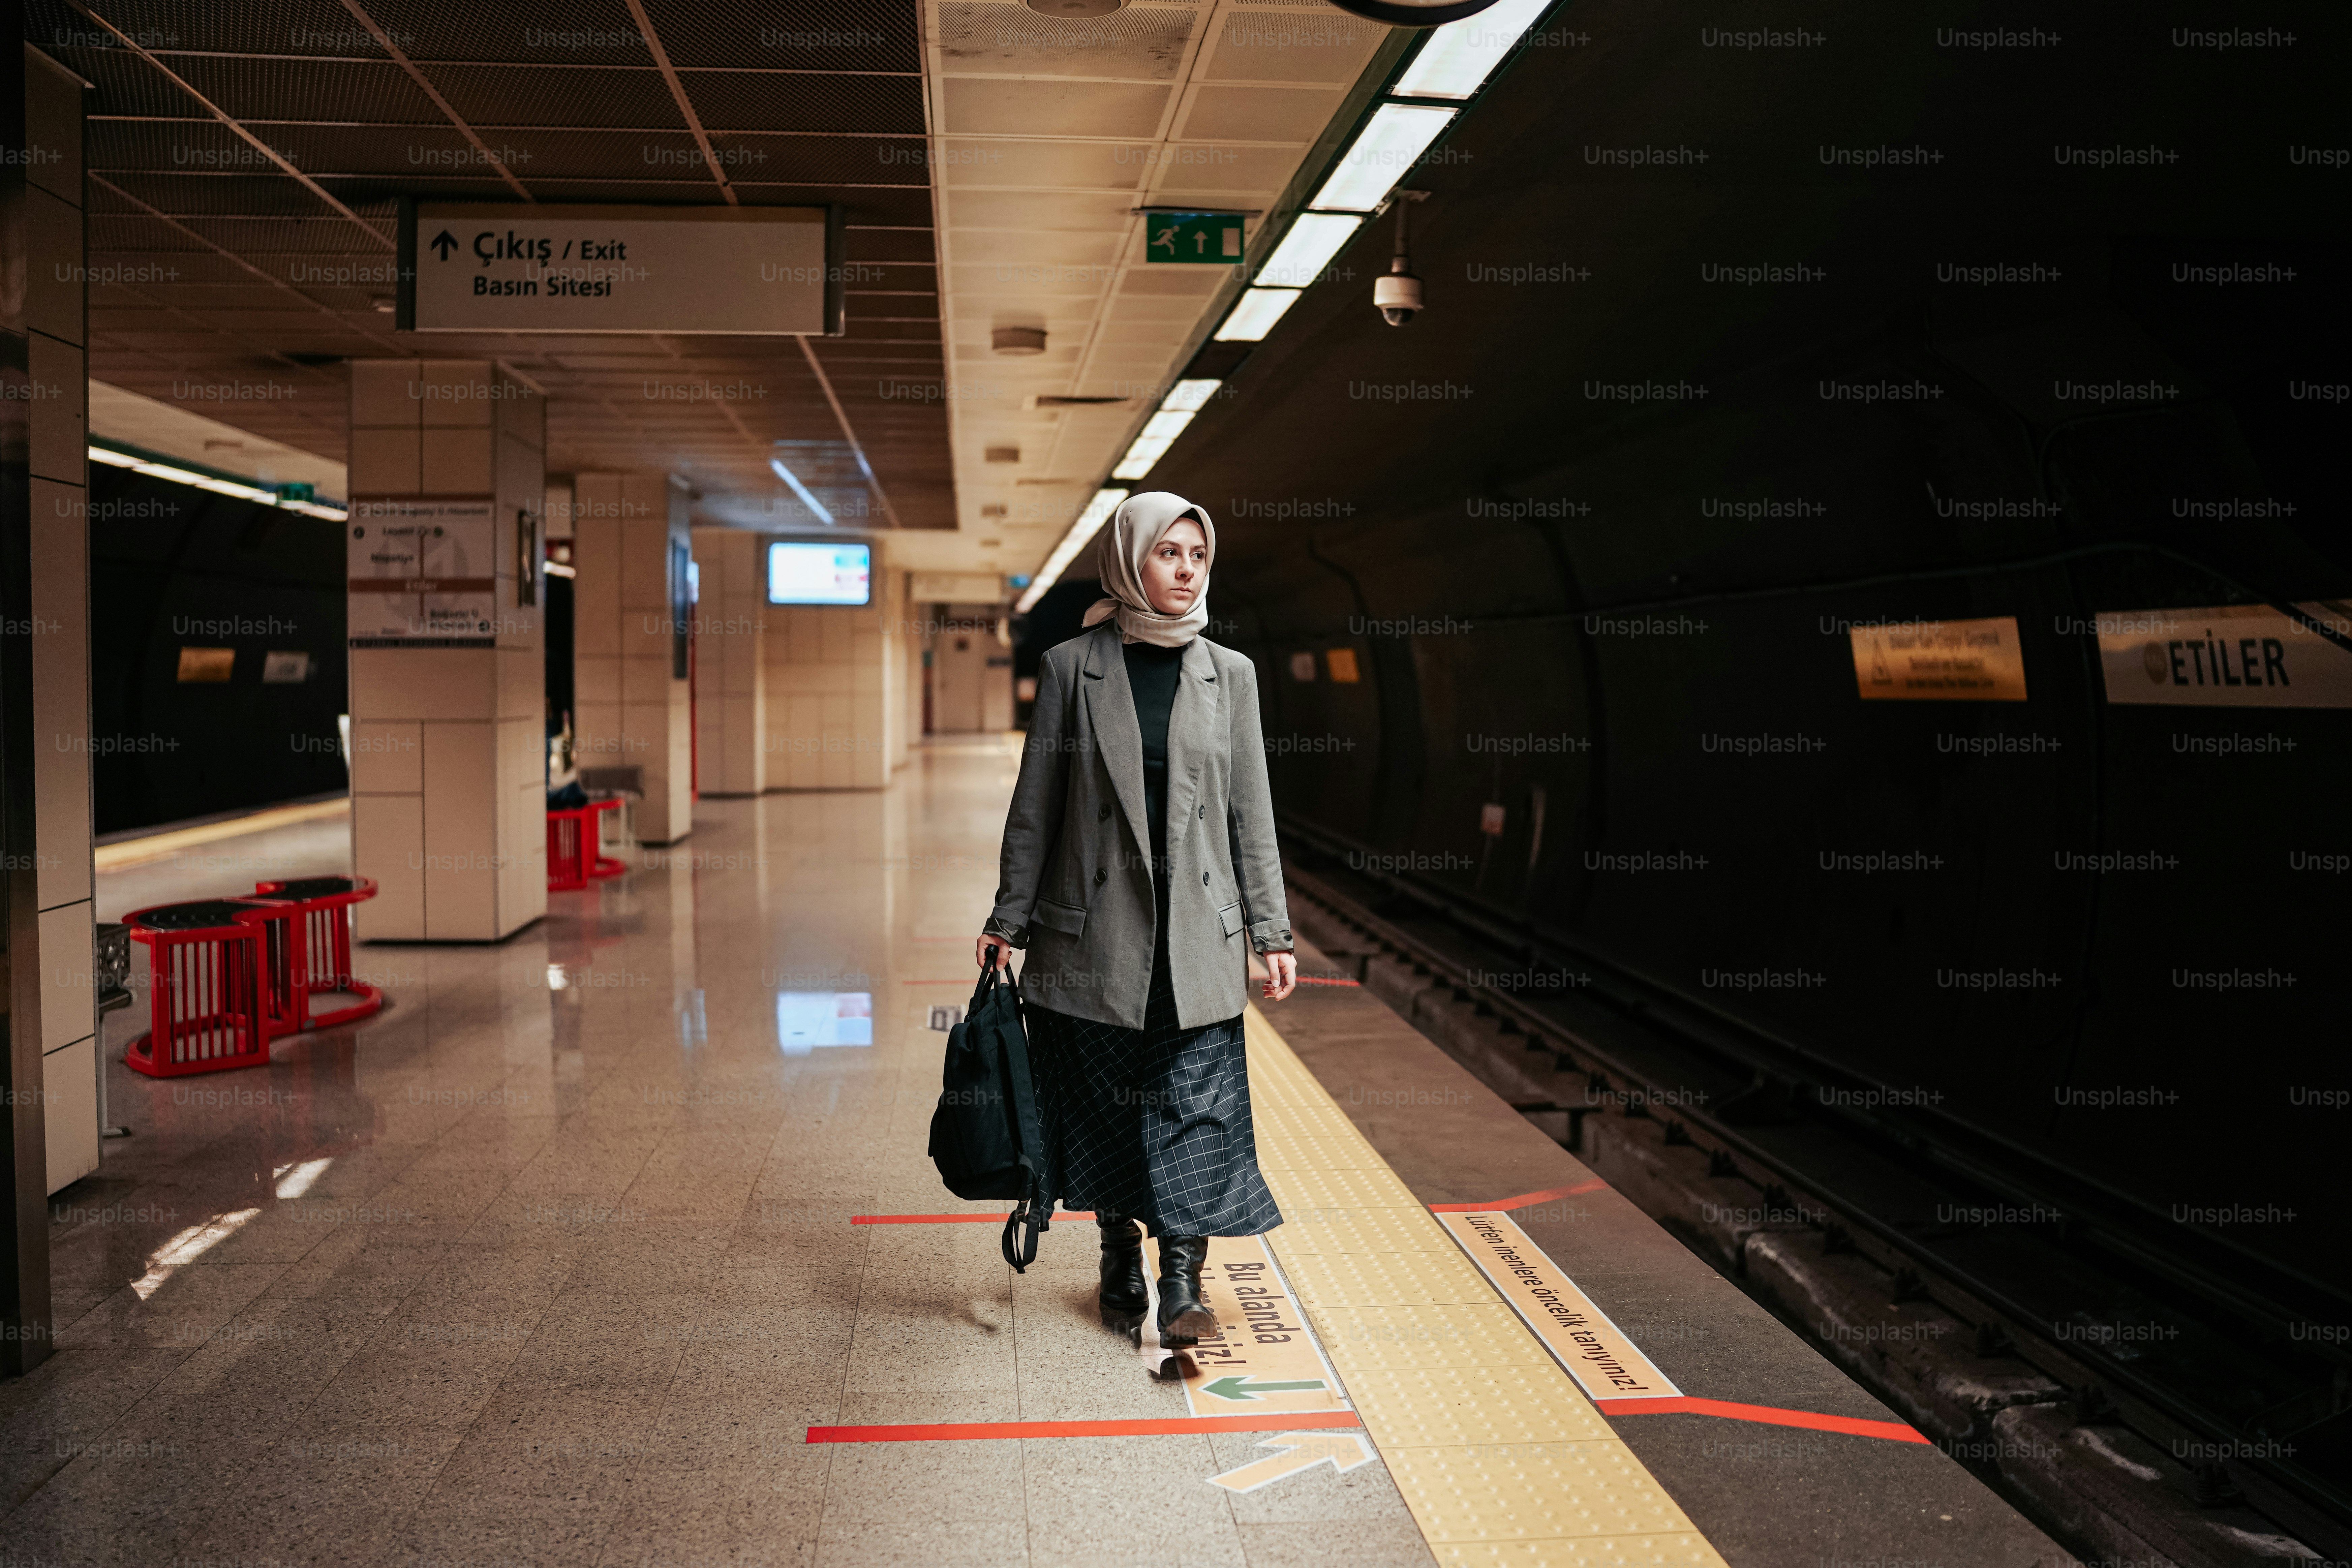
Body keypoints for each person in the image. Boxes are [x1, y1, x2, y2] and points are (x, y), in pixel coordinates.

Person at [977, 492, 1297, 1349]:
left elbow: (1251, 814)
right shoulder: (1070, 667)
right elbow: (1035, 808)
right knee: (1109, 1104)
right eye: (1169, 552)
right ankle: (1118, 1248)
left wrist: (1271, 931)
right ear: (1129, 560)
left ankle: (1182, 1279)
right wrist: (1007, 918)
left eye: (1197, 554)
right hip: (1096, 935)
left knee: (1195, 1107)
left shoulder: (1229, 674)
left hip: (1199, 934)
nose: (1186, 568)